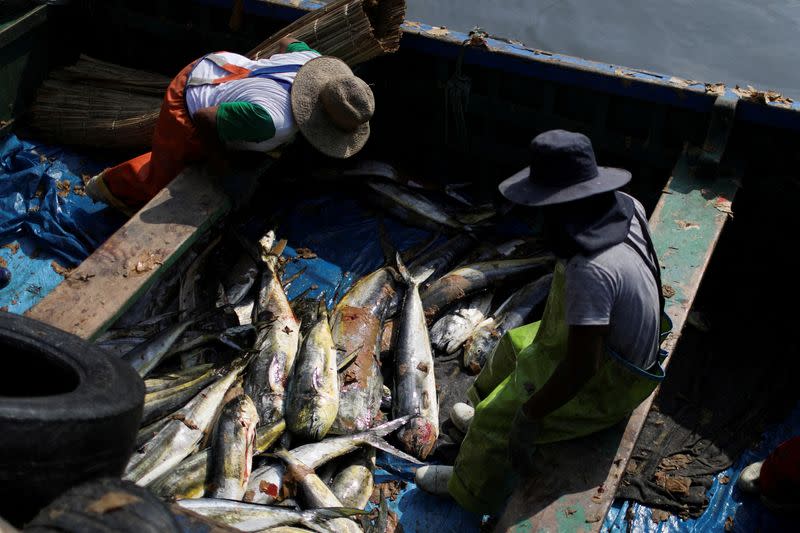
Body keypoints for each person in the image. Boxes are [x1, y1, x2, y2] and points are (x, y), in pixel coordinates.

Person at [416, 129, 671, 514]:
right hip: (595, 343)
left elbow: (583, 365)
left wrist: (530, 415)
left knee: (499, 419)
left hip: (611, 380)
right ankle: (480, 424)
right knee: (512, 343)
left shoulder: (591, 268)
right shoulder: (626, 204)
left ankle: (468, 485)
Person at [86, 38, 374, 214]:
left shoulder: (313, 62)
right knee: (166, 178)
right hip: (192, 94)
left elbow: (287, 41)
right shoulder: (276, 122)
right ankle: (107, 186)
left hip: (229, 66)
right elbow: (204, 119)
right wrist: (219, 164)